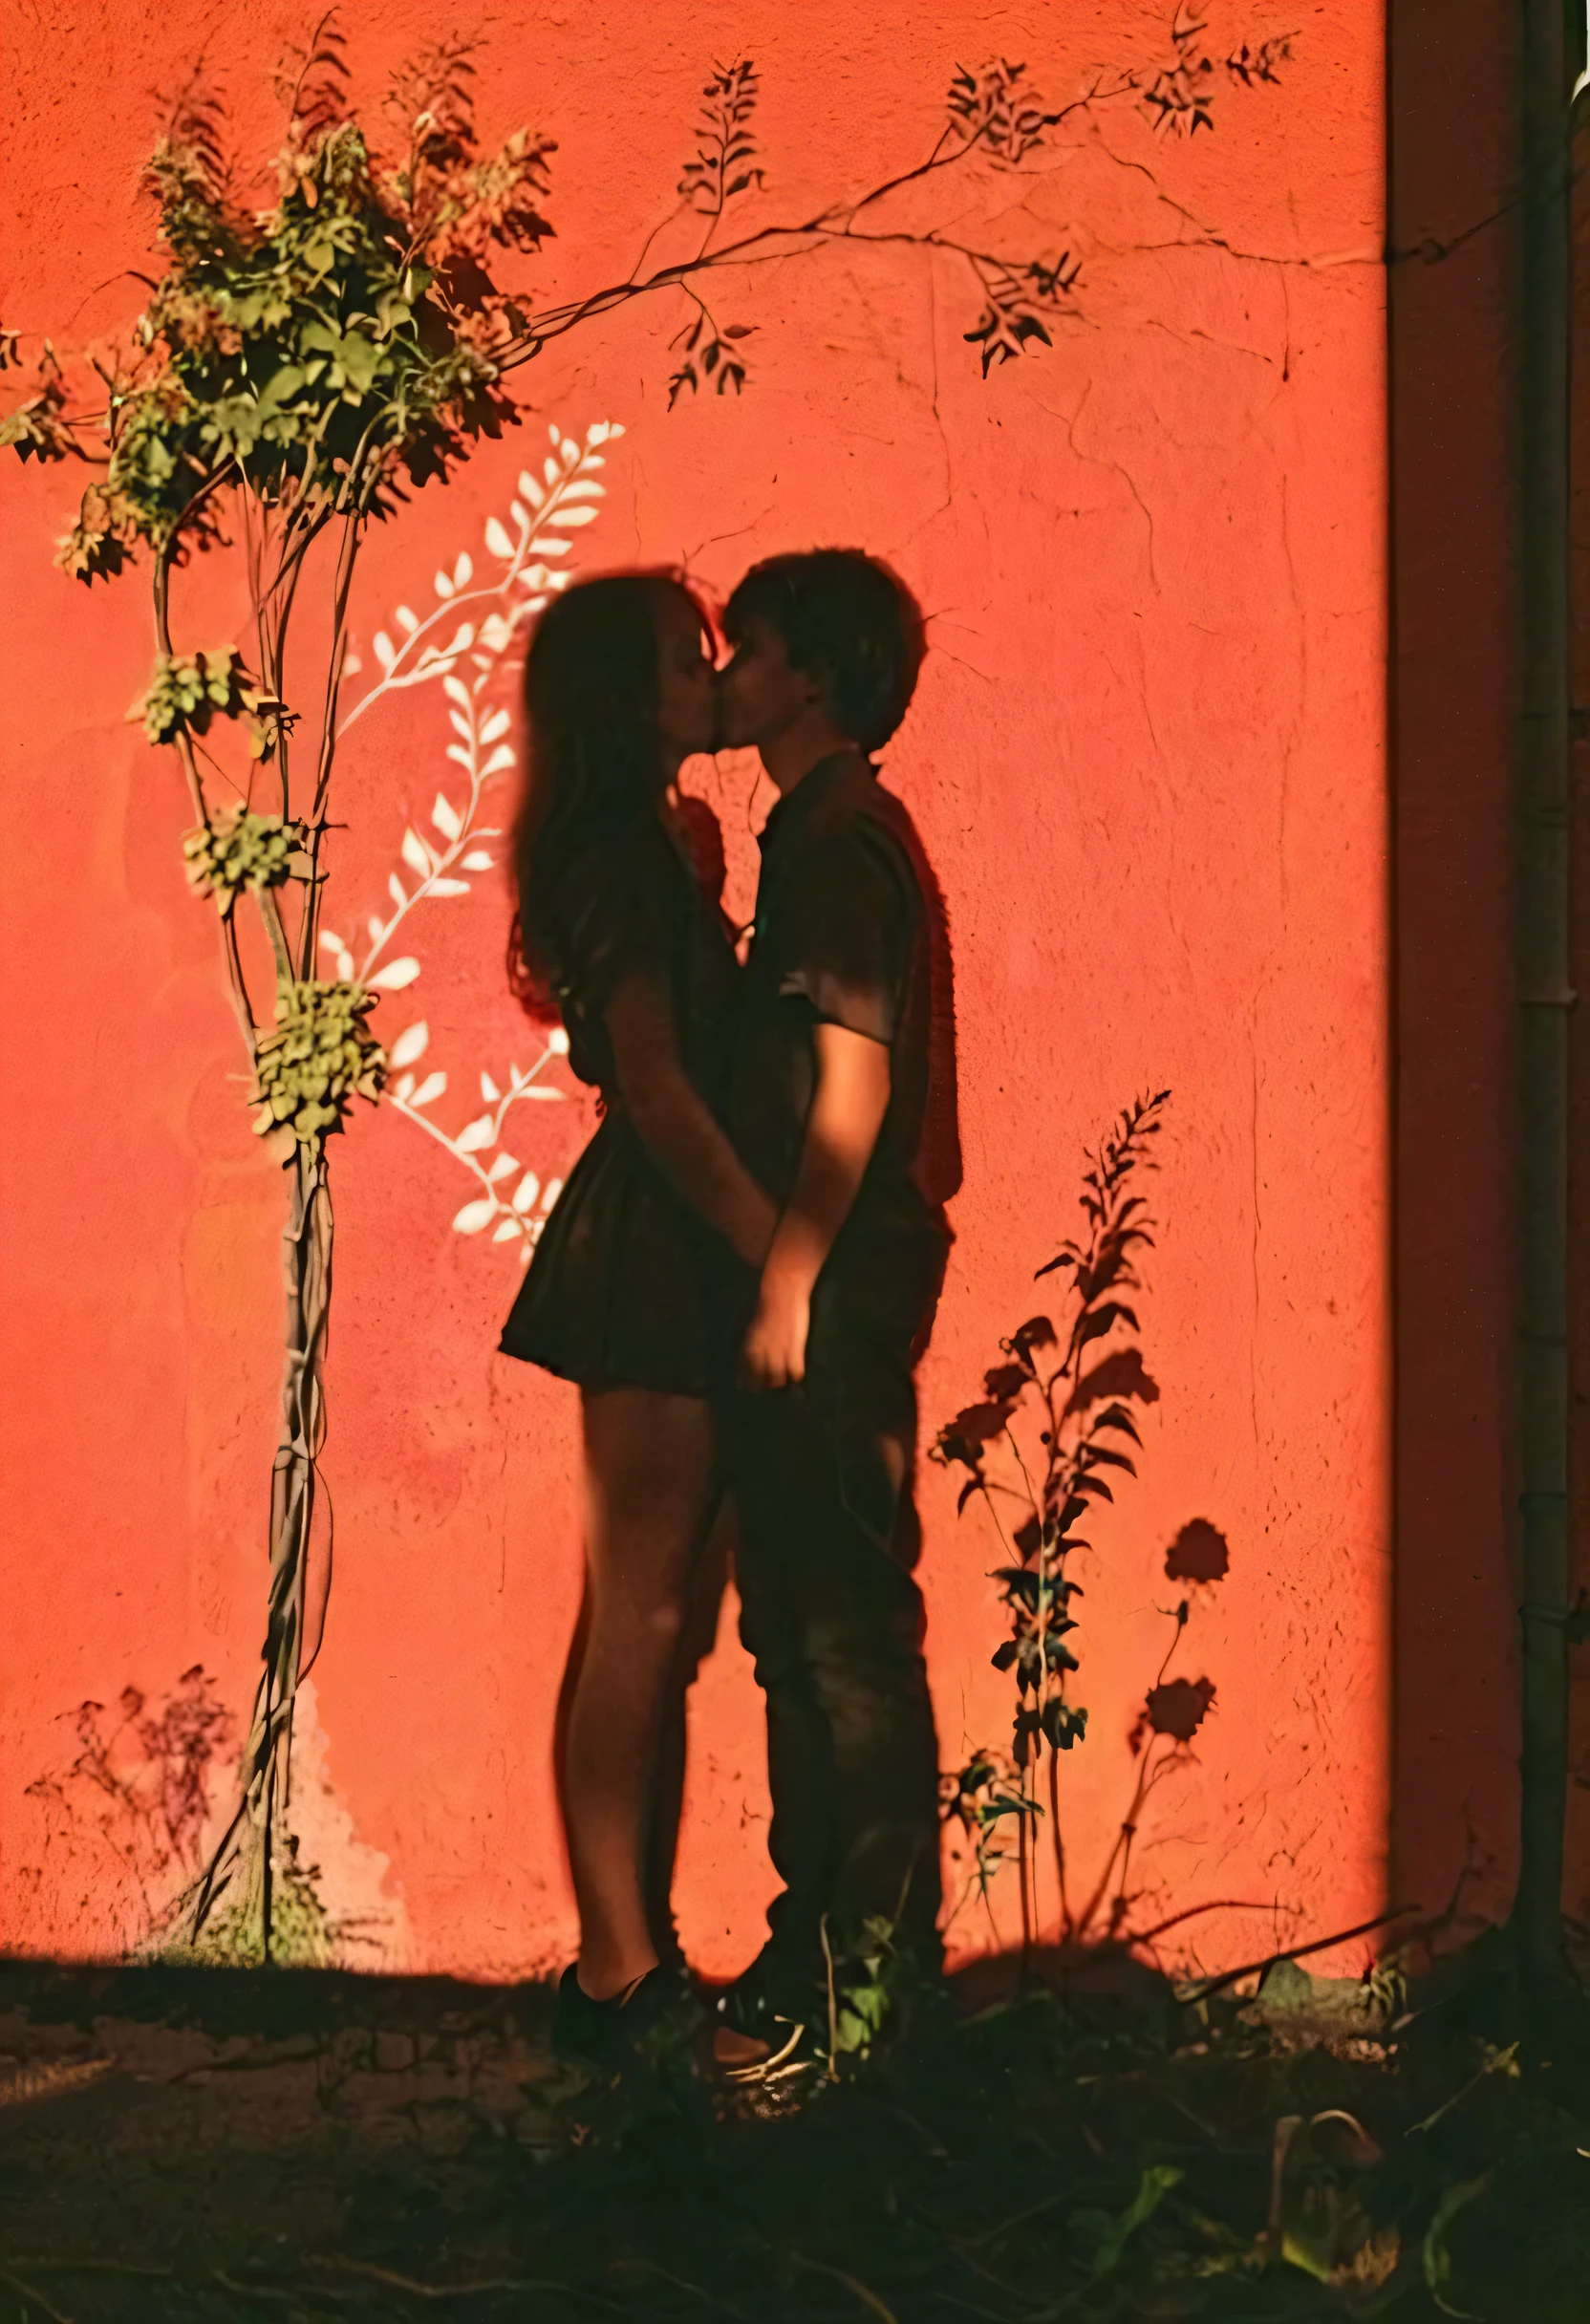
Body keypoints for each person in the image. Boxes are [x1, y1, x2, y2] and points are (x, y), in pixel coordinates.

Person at [499, 572, 777, 2059]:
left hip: (660, 1237)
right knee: (646, 1616)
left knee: (641, 1616)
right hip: (663, 1245)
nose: (714, 675)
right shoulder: (617, 850)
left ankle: (622, 1966)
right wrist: (769, 1245)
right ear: (627, 697)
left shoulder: (638, 847)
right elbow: (659, 1088)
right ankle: (621, 1975)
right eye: (689, 660)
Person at [713, 549, 951, 2043]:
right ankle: (830, 1955)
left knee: (839, 1619)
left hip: (839, 1282)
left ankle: (866, 1973)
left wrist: (790, 1275)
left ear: (808, 675)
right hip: (837, 1273)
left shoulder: (840, 840)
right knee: (803, 1614)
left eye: (745, 651)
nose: (726, 675)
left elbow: (852, 1081)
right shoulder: (819, 833)